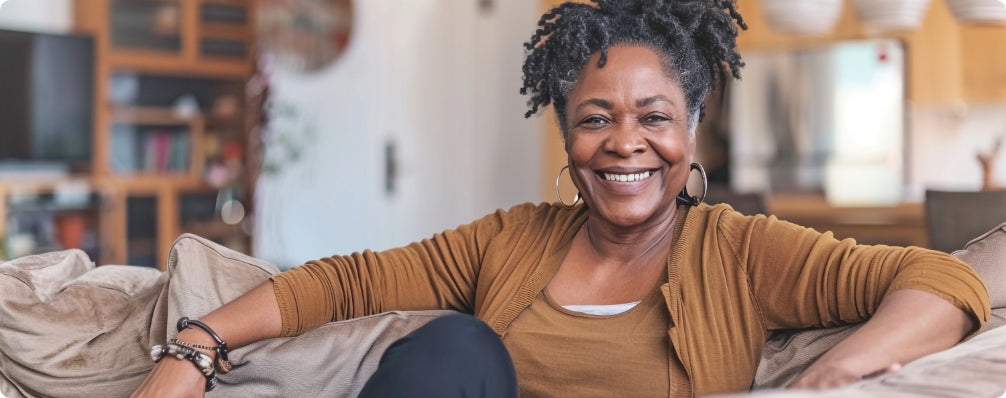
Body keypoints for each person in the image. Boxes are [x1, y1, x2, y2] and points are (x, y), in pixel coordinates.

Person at [133, 0, 991, 397]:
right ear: (567, 136)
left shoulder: (740, 250)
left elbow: (944, 282)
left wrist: (842, 370)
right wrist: (196, 346)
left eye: (654, 117)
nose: (624, 143)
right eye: (594, 119)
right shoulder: (511, 241)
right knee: (456, 350)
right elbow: (343, 283)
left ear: (690, 127)